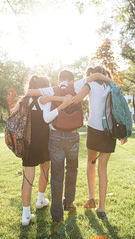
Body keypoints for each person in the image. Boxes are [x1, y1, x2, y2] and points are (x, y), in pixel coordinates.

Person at [27, 70, 112, 223]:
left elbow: (30, 91)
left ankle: (57, 214)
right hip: (73, 136)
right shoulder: (78, 85)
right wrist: (111, 81)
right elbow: (96, 76)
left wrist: (45, 96)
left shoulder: (52, 89)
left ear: (59, 81)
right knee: (72, 170)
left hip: (56, 136)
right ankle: (69, 203)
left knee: (56, 174)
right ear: (72, 80)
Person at [13, 75, 73, 226]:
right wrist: (61, 106)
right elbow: (47, 119)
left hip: (27, 141)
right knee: (45, 169)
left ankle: (25, 215)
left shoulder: (25, 100)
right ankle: (40, 199)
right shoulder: (44, 97)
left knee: (28, 176)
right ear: (45, 86)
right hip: (43, 140)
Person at [74, 66, 127, 219]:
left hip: (94, 129)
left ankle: (91, 198)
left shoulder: (90, 84)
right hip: (110, 131)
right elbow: (121, 108)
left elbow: (77, 98)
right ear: (105, 75)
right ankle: (101, 207)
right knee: (103, 168)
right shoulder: (113, 86)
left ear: (92, 75)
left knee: (91, 163)